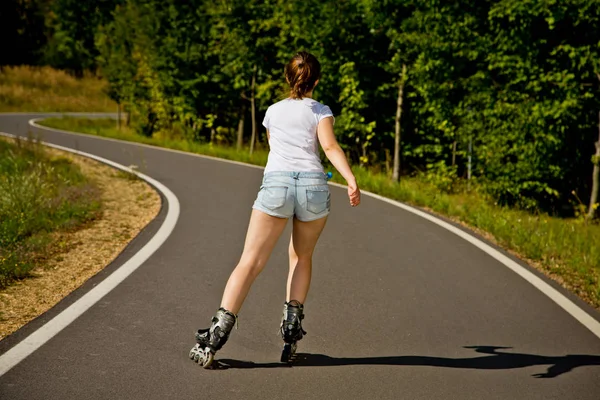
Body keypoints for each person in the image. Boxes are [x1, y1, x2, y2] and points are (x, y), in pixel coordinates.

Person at [189, 51, 361, 368]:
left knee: (251, 262)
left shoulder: (273, 111)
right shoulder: (321, 111)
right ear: (316, 81)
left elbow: (274, 147)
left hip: (278, 185)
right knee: (301, 257)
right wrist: (350, 179)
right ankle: (291, 329)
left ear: (288, 79)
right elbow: (329, 147)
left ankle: (215, 337)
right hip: (313, 186)